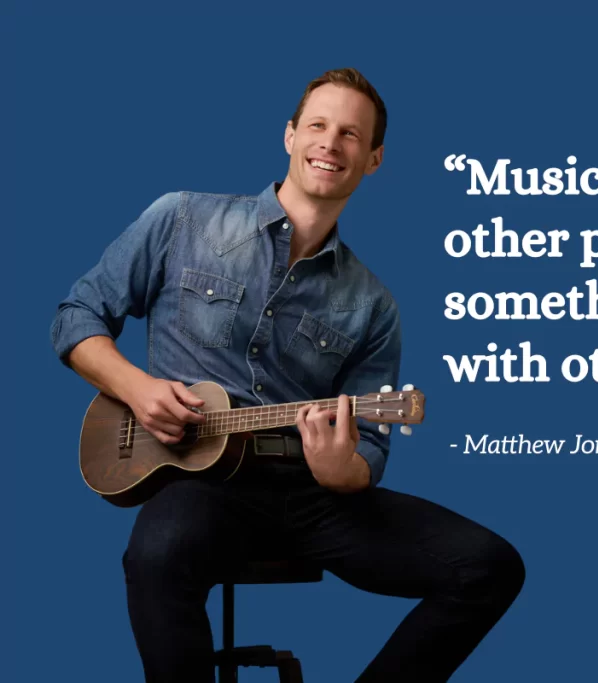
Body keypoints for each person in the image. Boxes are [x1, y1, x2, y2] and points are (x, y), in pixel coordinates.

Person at [49, 67, 525, 682]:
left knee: (489, 567)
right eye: (319, 126)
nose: (331, 143)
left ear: (373, 160)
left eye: (351, 135)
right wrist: (137, 389)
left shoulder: (372, 304)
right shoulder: (181, 220)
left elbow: (370, 449)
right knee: (158, 553)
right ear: (290, 135)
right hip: (198, 484)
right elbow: (76, 316)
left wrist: (343, 469)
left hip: (306, 491)